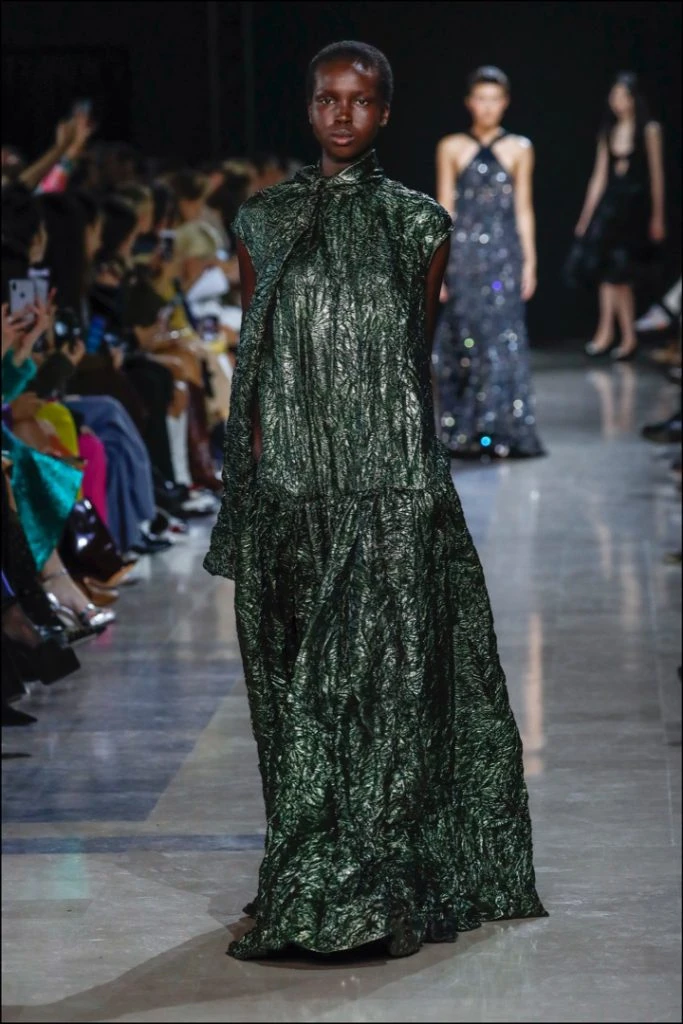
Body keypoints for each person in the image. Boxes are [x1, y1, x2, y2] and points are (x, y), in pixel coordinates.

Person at [205, 40, 546, 961]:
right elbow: (254, 359)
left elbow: (410, 359)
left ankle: (375, 875)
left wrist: (416, 484)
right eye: (327, 99)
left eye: (359, 100)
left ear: (384, 111)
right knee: (295, 689)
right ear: (308, 108)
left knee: (384, 687)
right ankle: (304, 866)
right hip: (291, 489)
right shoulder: (263, 221)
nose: (342, 114)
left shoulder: (417, 223)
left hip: (387, 486)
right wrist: (255, 480)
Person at [433, 66, 544, 459]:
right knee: (465, 340)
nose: (487, 107)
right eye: (481, 99)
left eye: (494, 99)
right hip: (463, 257)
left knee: (502, 341)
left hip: (503, 256)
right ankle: (466, 431)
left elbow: (523, 208)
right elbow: (444, 208)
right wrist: (438, 266)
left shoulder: (520, 148)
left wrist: (529, 262)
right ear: (469, 103)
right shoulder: (450, 147)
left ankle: (499, 430)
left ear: (505, 103)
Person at [570, 72, 666, 360]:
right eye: (614, 96)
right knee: (607, 273)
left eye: (623, 96)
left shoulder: (649, 130)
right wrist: (586, 218)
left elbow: (656, 176)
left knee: (621, 275)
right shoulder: (608, 131)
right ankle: (611, 334)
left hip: (634, 209)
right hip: (610, 208)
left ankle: (621, 335)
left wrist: (658, 216)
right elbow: (598, 178)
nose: (617, 102)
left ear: (634, 98)